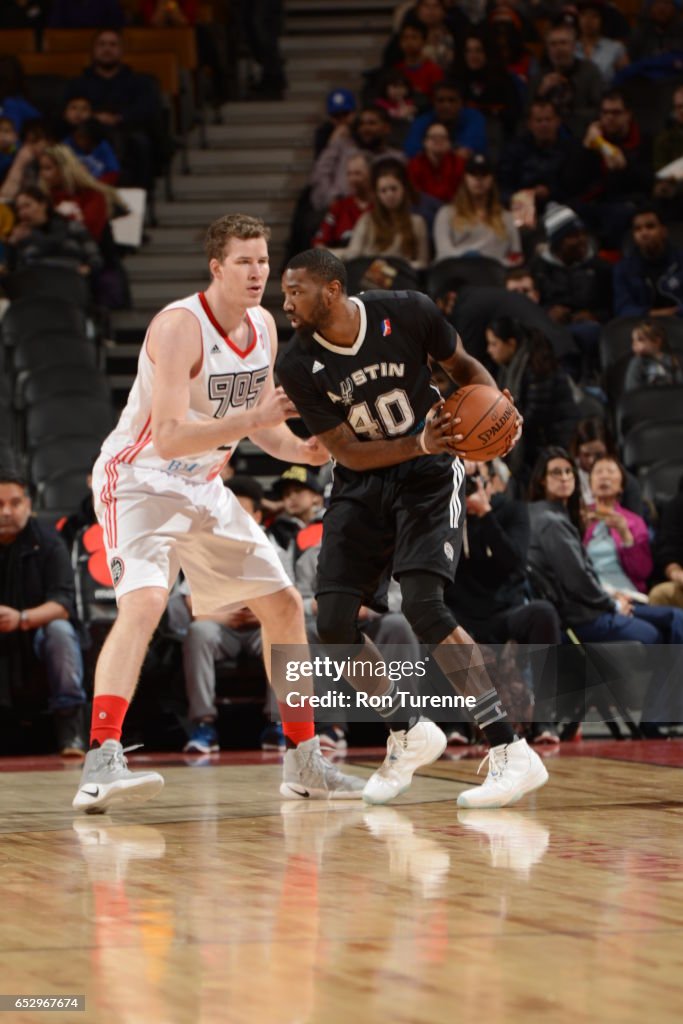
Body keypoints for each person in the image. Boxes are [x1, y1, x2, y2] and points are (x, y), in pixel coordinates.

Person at [71, 214, 365, 813]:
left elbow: (267, 428)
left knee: (282, 604)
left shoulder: (263, 327)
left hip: (202, 484)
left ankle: (304, 759)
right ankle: (100, 761)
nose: (258, 273)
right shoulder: (180, 326)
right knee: (147, 602)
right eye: (244, 262)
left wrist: (308, 451)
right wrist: (258, 423)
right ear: (216, 268)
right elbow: (174, 435)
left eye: (263, 261)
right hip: (139, 480)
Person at [278, 247, 549, 809]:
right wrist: (419, 439)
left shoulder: (408, 310)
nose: (285, 303)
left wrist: (496, 404)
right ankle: (408, 731)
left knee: (426, 606)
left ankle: (510, 748)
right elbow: (347, 453)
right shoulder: (296, 363)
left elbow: (466, 369)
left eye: (294, 291)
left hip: (428, 474)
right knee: (331, 623)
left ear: (330, 291)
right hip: (361, 481)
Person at [445, 460, 562, 744]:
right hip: (461, 614)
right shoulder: (447, 514)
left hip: (503, 611)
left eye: (479, 477)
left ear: (496, 481)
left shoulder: (513, 511)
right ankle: (454, 726)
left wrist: (485, 515)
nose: (472, 486)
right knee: (431, 620)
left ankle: (544, 720)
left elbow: (515, 563)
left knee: (543, 613)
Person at [0, 470, 87, 757]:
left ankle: (70, 730)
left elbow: (62, 604)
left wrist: (22, 619)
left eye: (14, 503)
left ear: (28, 504)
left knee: (60, 631)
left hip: (35, 634)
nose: (7, 512)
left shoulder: (49, 542)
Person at [485, 316, 578, 472]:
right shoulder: (507, 369)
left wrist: (503, 429)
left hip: (555, 439)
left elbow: (536, 415)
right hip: (538, 439)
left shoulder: (536, 366)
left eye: (494, 344)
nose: (489, 350)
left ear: (511, 344)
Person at [433, 154, 521, 265]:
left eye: (484, 174)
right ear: (465, 178)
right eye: (473, 174)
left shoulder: (507, 217)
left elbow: (516, 256)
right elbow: (443, 253)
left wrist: (490, 263)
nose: (479, 179)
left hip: (494, 276)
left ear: (492, 179)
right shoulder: (446, 214)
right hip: (458, 274)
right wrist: (469, 259)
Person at [342, 160, 430, 268]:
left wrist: (397, 268)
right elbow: (353, 253)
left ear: (403, 189)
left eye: (394, 189)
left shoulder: (417, 222)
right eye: (383, 190)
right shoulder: (367, 220)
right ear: (377, 194)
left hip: (403, 278)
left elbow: (423, 263)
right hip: (368, 277)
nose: (389, 194)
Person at [497, 99, 582, 209]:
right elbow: (504, 185)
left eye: (548, 120)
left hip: (560, 206)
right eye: (539, 120)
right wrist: (527, 195)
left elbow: (574, 187)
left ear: (558, 121)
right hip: (521, 207)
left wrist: (550, 192)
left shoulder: (571, 149)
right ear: (530, 124)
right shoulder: (514, 150)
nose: (544, 124)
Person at [5, 186, 103, 276]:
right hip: (37, 286)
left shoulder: (71, 227)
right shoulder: (20, 237)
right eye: (19, 209)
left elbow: (95, 259)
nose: (23, 212)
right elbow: (12, 271)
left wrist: (87, 269)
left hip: (72, 282)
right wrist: (12, 244)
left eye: (27, 206)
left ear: (43, 204)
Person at [531, 21, 603, 137]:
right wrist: (540, 94)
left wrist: (568, 115)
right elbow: (527, 115)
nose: (558, 48)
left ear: (574, 46)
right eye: (553, 44)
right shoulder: (539, 76)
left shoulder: (589, 71)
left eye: (563, 43)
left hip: (582, 133)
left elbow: (599, 109)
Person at [613, 206, 683, 319]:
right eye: (638, 229)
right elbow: (622, 308)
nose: (644, 233)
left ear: (664, 231)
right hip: (643, 328)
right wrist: (657, 314)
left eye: (650, 227)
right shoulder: (623, 269)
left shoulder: (680, 259)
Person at [403, 80, 487, 159]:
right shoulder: (422, 120)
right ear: (433, 103)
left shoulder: (473, 117)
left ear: (461, 103)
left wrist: (433, 153)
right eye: (440, 100)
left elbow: (468, 149)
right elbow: (411, 149)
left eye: (452, 100)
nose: (446, 106)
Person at [312, 152, 373, 252]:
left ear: (371, 174)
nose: (352, 179)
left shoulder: (381, 207)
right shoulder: (339, 207)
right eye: (349, 174)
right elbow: (319, 243)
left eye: (358, 173)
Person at [407, 120, 465, 203]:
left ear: (449, 143)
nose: (438, 140)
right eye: (433, 137)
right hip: (423, 208)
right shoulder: (414, 164)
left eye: (443, 137)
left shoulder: (458, 163)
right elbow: (414, 195)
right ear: (424, 142)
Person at [575, 0, 629, 85]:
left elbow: (626, 82)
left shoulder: (616, 48)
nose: (588, 20)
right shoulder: (570, 47)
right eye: (583, 15)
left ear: (602, 20)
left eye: (594, 16)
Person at [624, 319, 683, 391]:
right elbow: (632, 391)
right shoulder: (637, 362)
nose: (634, 344)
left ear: (657, 341)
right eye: (633, 340)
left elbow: (680, 387)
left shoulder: (672, 360)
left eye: (640, 340)